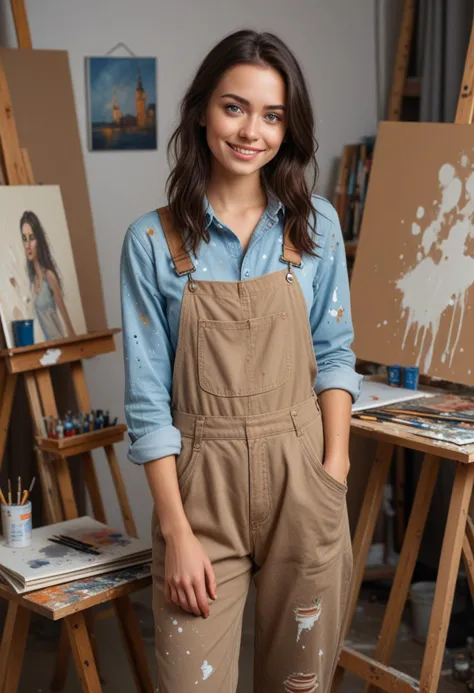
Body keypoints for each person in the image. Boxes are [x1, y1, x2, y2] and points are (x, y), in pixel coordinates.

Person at [121, 29, 361, 693]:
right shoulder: (151, 241)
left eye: (272, 114)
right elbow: (147, 401)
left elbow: (337, 355)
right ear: (202, 111)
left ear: (289, 126)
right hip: (200, 496)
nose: (252, 130)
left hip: (303, 477)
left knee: (299, 685)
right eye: (235, 107)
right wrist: (176, 532)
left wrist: (331, 473)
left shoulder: (314, 227)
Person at [20, 210, 75, 341]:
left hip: (60, 344)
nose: (27, 245)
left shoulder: (49, 276)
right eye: (24, 239)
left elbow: (67, 324)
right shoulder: (33, 281)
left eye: (31, 238)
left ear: (39, 240)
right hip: (48, 346)